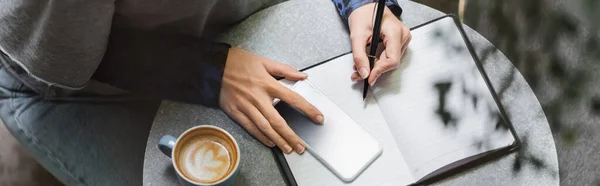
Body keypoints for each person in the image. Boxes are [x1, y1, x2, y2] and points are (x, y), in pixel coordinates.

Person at [0, 0, 411, 185]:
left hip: (228, 31)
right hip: (70, 87)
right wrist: (213, 70)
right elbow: (54, 61)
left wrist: (362, 3)